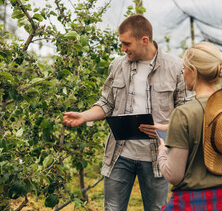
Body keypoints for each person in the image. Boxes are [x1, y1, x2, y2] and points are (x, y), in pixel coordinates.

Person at [61, 14, 188, 211]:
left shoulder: (176, 67)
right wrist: (84, 116)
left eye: (126, 43)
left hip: (158, 156)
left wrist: (165, 129)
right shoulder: (118, 66)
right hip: (120, 155)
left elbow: (185, 114)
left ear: (144, 40)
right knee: (112, 208)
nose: (122, 49)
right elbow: (106, 103)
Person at [156, 42, 222, 210]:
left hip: (191, 203)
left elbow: (174, 175)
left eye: (184, 69)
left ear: (193, 71)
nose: (183, 74)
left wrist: (162, 153)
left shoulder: (183, 114)